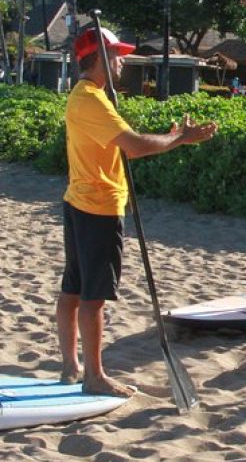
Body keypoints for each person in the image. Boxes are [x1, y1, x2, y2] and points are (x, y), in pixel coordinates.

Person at [57, 26, 218, 397]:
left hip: (79, 200)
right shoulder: (91, 100)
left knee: (74, 287)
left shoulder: (86, 95)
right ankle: (93, 376)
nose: (123, 60)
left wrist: (170, 136)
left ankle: (71, 366)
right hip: (97, 206)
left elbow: (123, 143)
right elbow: (133, 146)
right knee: (92, 295)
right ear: (98, 56)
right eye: (117, 54)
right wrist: (179, 139)